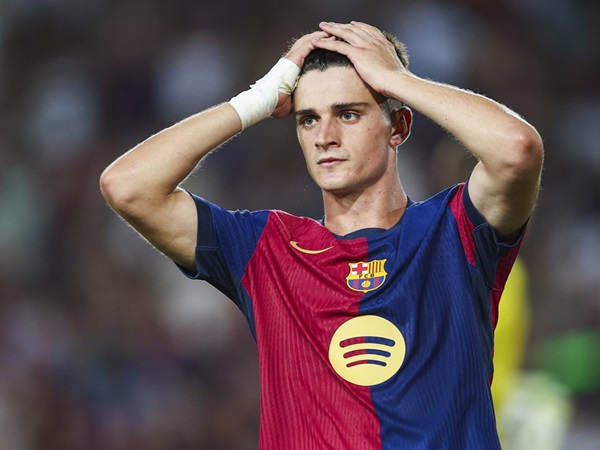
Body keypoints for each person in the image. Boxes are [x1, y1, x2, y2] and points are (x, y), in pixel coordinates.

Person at [100, 21, 544, 449]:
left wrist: (396, 80)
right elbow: (127, 187)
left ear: (399, 127)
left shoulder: (455, 230)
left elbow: (517, 150)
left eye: (348, 114)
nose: (325, 137)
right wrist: (254, 101)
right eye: (308, 119)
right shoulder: (266, 248)